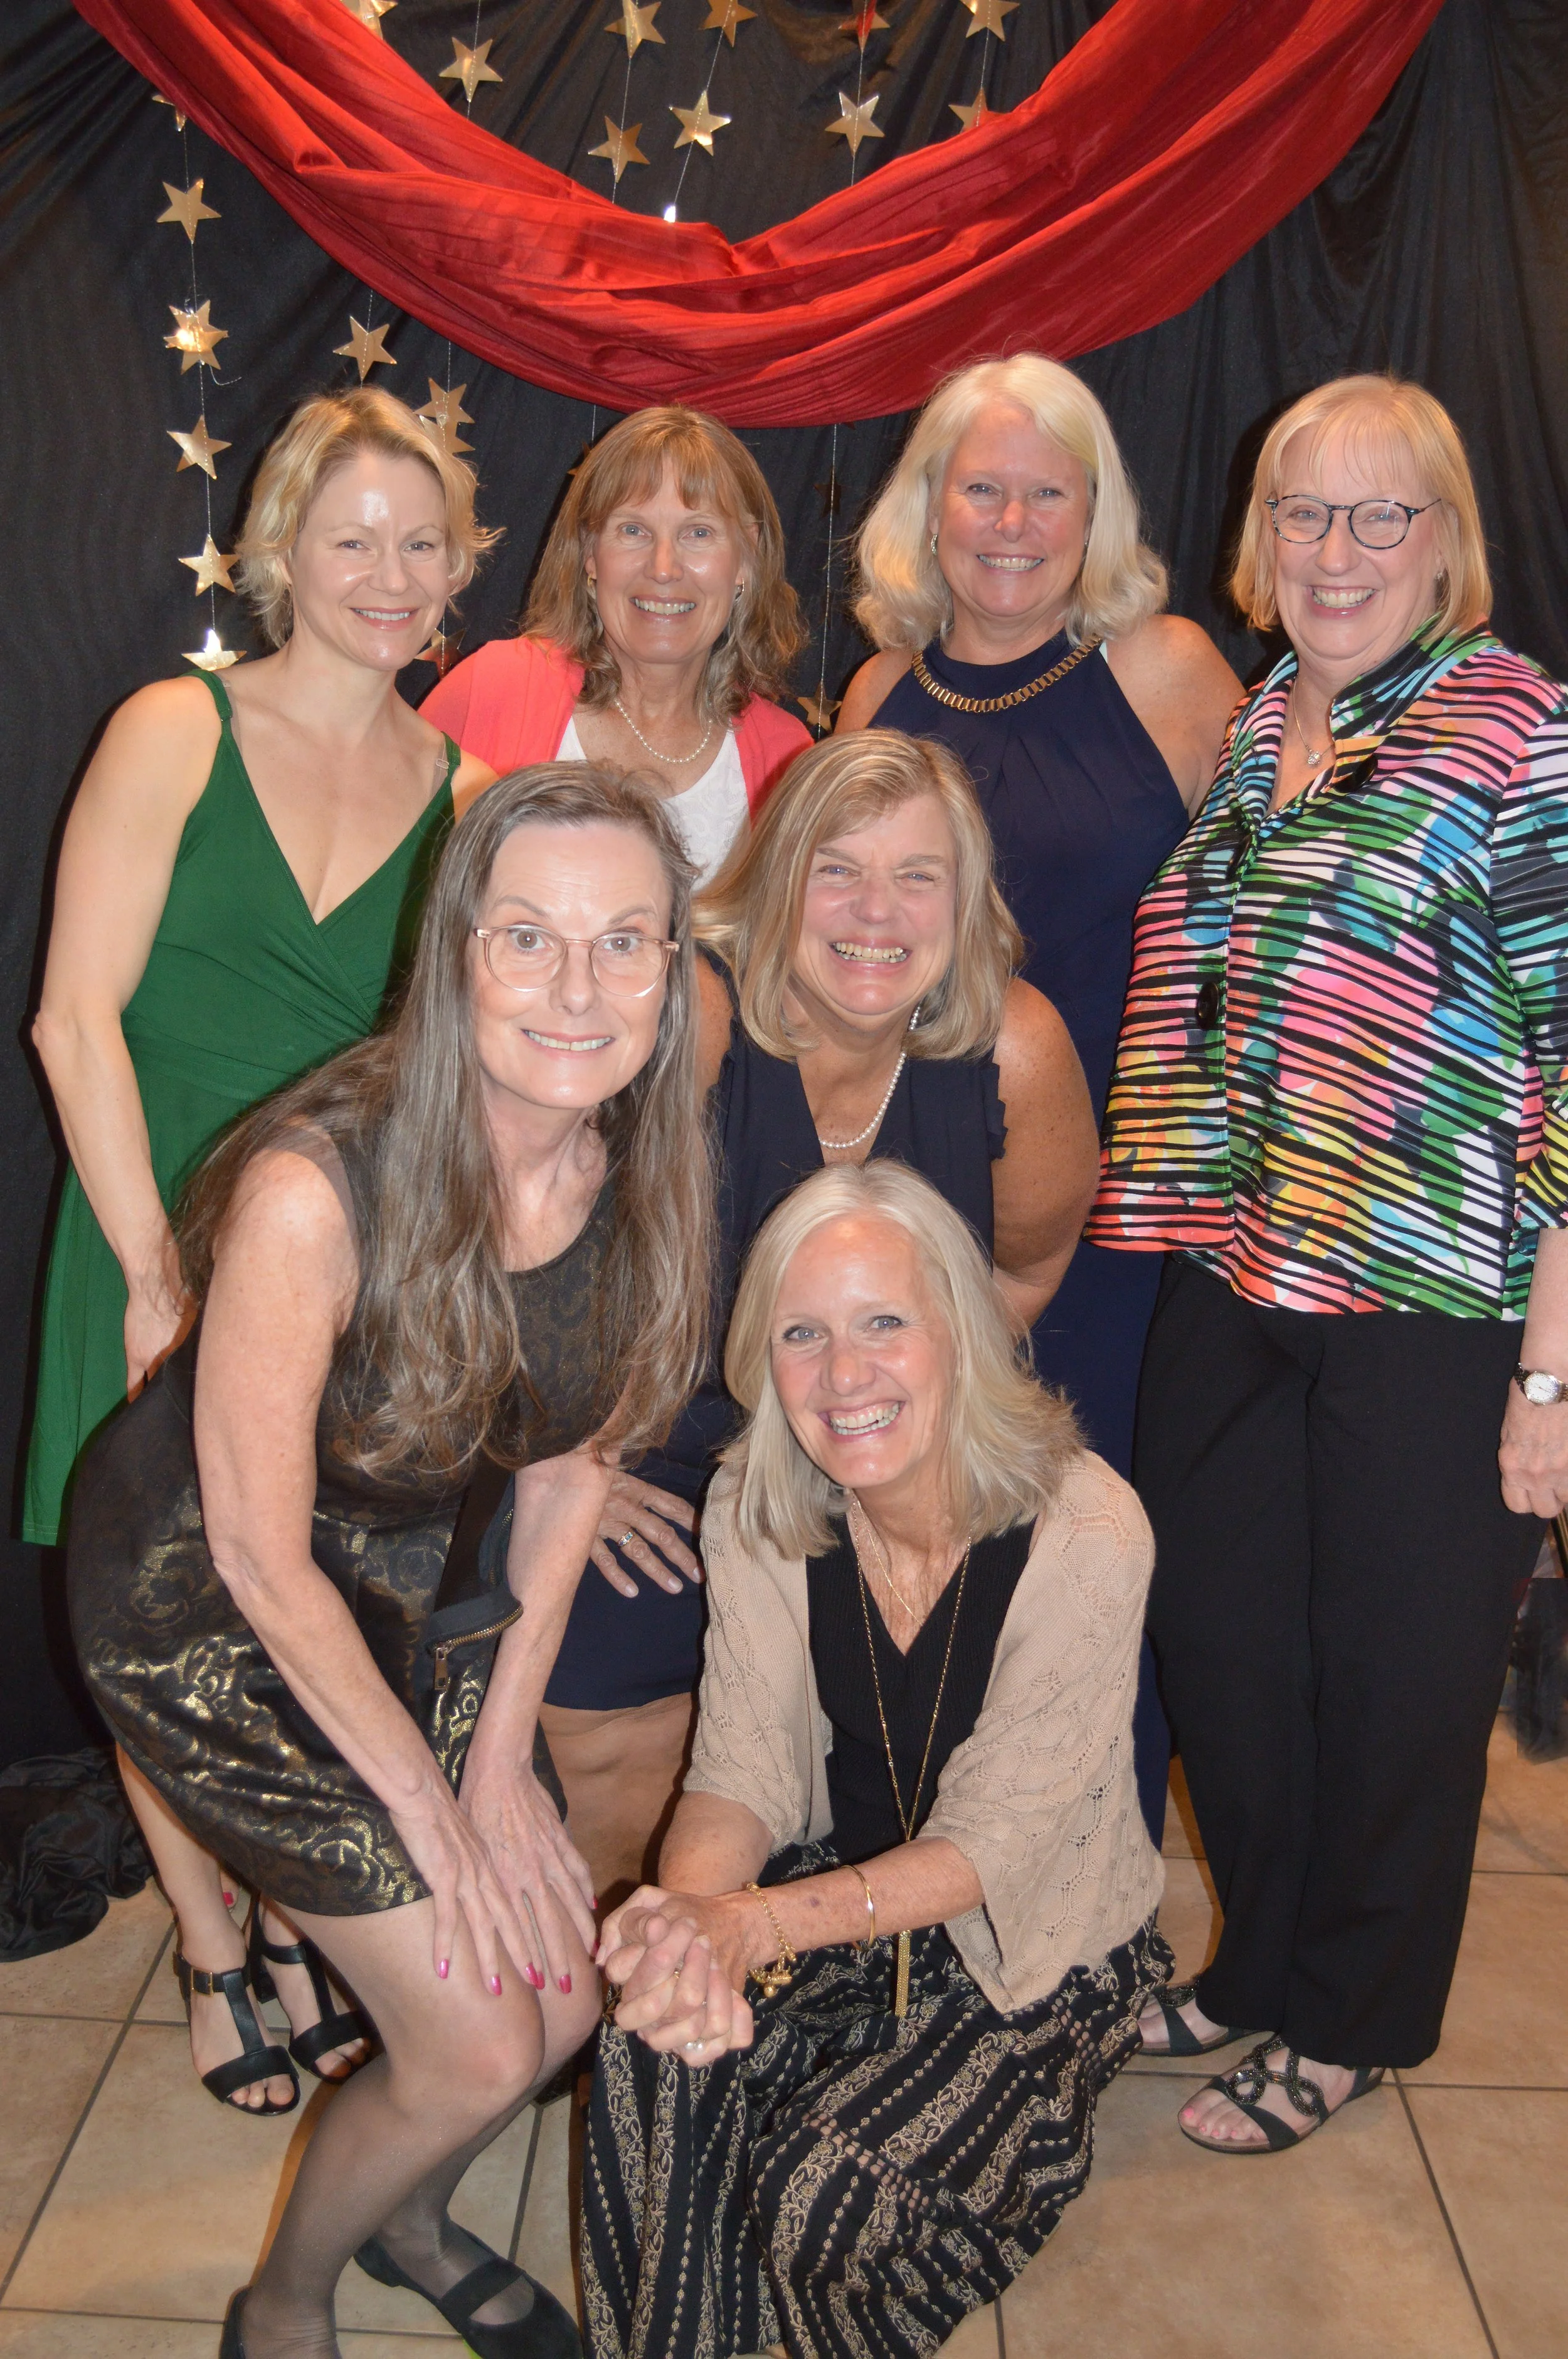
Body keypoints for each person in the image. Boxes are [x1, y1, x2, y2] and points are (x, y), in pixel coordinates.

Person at [68, 763, 714, 2358]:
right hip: (213, 1609)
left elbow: (565, 1473)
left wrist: (498, 1760)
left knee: (557, 2005)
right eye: (529, 937)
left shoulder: (638, 1160)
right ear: (456, 953)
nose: (579, 990)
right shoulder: (317, 1186)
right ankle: (283, 2301)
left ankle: (411, 2221)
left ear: (672, 965)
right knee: (479, 2039)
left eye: (624, 942)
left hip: (403, 1584)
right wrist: (431, 1811)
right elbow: (251, 1546)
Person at [1088, 373, 1568, 2151]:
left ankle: (1350, 2015)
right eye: (1304, 511)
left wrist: (1550, 1374)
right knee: (1224, 1649)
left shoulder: (1519, 731)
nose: (1337, 549)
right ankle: (1256, 1961)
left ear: (1444, 543)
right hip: (1231, 1266)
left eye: (1382, 514)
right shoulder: (1262, 719)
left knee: (1393, 1682)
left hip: (1435, 1305)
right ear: (1260, 536)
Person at [28, 386, 497, 2112]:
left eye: (421, 544)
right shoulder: (176, 728)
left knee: (307, 1602)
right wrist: (154, 1275)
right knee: (155, 1607)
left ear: (459, 568)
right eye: (351, 538)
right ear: (282, 548)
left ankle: (296, 1915)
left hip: (343, 1268)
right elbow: (73, 1021)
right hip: (145, 1228)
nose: (388, 574)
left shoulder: (473, 791)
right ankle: (210, 1944)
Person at [583, 1161, 1168, 2359]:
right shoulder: (757, 1496)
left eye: (883, 1324)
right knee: (654, 2041)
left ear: (958, 1328)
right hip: (834, 1898)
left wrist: (752, 1927)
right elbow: (741, 1766)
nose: (844, 1376)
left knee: (819, 2186)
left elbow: (991, 1848)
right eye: (802, 1333)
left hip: (1023, 1952)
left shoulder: (1089, 1530)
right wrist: (693, 1927)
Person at [541, 729, 1101, 1906]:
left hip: (878, 1451)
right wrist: (570, 1460)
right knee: (602, 1695)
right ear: (778, 876)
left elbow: (1024, 1270)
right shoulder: (698, 1013)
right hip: (657, 1440)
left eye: (917, 876)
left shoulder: (1015, 1048)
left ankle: (816, 1965)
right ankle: (638, 1976)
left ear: (966, 900)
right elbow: (536, 1237)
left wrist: (900, 1447)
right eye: (837, 870)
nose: (876, 912)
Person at [838, 353, 1243, 1840]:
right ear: (929, 506)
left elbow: (1279, 926)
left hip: (1122, 1223)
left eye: (1046, 494)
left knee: (1094, 1557)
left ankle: (1092, 1895)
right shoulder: (878, 693)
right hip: (919, 1206)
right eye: (980, 489)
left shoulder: (1168, 673)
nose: (1010, 524)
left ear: (1094, 512)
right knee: (926, 1553)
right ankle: (927, 1875)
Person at [423, 405, 810, 884]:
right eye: (633, 531)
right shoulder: (491, 691)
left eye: (699, 533)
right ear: (590, 551)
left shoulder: (788, 757)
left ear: (746, 557)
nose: (663, 568)